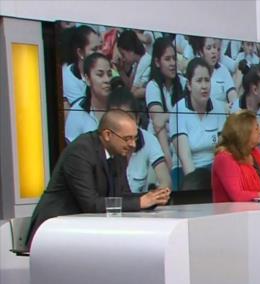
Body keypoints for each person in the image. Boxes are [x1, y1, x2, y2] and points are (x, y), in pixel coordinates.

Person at [26, 110, 171, 245]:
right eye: (127, 139)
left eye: (135, 138)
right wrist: (140, 202)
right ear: (107, 135)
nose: (132, 144)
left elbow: (121, 195)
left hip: (82, 230)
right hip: (54, 230)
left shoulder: (118, 153)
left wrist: (152, 198)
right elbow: (91, 204)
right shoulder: (80, 151)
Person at [170, 57, 227, 190]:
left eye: (207, 80)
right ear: (189, 85)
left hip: (213, 168)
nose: (204, 86)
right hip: (186, 172)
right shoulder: (179, 110)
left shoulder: (218, 108)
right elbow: (186, 160)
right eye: (199, 81)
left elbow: (223, 150)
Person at [211, 110, 260, 202]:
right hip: (233, 211)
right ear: (244, 133)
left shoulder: (256, 153)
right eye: (256, 128)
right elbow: (237, 196)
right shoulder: (224, 158)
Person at [107, 87, 172, 192]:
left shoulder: (149, 140)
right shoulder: (101, 142)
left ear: (137, 119)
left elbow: (165, 181)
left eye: (127, 118)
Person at [145, 36, 187, 172]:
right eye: (167, 59)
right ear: (157, 62)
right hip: (158, 147)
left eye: (174, 58)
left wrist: (167, 116)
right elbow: (158, 122)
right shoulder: (152, 86)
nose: (173, 63)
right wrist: (167, 158)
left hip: (179, 143)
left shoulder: (183, 82)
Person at [65, 52, 113, 143]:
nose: (107, 80)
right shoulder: (77, 111)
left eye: (109, 74)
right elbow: (71, 149)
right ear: (87, 79)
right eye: (100, 75)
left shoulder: (120, 107)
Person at [189, 36, 237, 112]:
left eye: (215, 47)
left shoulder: (223, 69)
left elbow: (232, 93)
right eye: (209, 48)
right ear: (201, 52)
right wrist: (221, 108)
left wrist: (234, 105)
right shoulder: (196, 70)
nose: (213, 51)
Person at [61, 25, 102, 112]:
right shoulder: (68, 77)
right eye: (94, 49)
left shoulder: (107, 68)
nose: (100, 53)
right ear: (80, 53)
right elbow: (86, 112)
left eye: (100, 48)